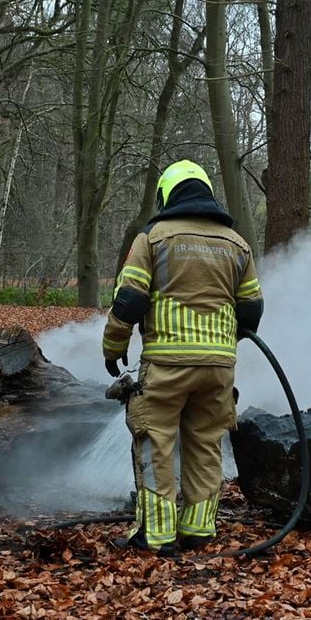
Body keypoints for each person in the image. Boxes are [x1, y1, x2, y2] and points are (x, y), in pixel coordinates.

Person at [102, 160, 264, 555]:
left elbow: (130, 299)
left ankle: (155, 534)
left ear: (167, 195)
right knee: (206, 443)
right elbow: (252, 310)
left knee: (154, 440)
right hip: (219, 367)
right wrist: (220, 346)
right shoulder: (237, 243)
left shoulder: (153, 238)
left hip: (166, 364)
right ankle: (198, 528)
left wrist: (114, 345)